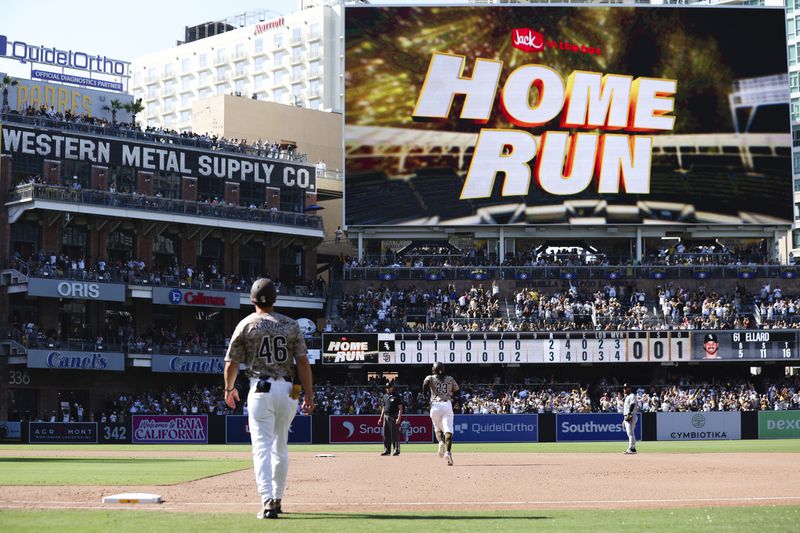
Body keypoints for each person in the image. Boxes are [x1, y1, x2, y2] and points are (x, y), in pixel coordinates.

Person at [223, 278, 314, 520]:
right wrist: (309, 394)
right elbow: (303, 363)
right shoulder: (291, 325)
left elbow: (232, 363)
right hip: (289, 390)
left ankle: (267, 500)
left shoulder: (246, 324)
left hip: (260, 388)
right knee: (280, 446)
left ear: (252, 300)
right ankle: (278, 498)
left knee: (261, 448)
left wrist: (228, 389)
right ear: (275, 298)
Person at [422, 362, 459, 466]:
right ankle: (448, 452)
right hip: (447, 404)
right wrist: (454, 400)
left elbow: (424, 385)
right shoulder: (450, 379)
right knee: (448, 430)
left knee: (437, 428)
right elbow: (457, 390)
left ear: (434, 369)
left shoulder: (430, 377)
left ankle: (440, 442)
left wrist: (425, 399)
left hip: (435, 405)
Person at [379, 381, 404, 456]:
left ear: (392, 387)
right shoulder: (384, 396)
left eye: (389, 387)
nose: (387, 389)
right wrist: (381, 418)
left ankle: (396, 450)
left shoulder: (396, 396)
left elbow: (400, 408)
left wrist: (399, 417)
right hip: (386, 416)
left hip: (393, 416)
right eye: (386, 387)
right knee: (386, 434)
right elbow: (383, 407)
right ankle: (387, 450)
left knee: (394, 434)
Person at [622, 383, 638, 455]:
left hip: (631, 415)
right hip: (627, 415)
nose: (624, 389)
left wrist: (629, 414)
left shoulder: (632, 395)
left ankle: (631, 448)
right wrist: (624, 419)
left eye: (626, 388)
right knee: (631, 432)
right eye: (624, 388)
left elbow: (632, 404)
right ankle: (633, 448)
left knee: (630, 432)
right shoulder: (627, 396)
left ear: (629, 388)